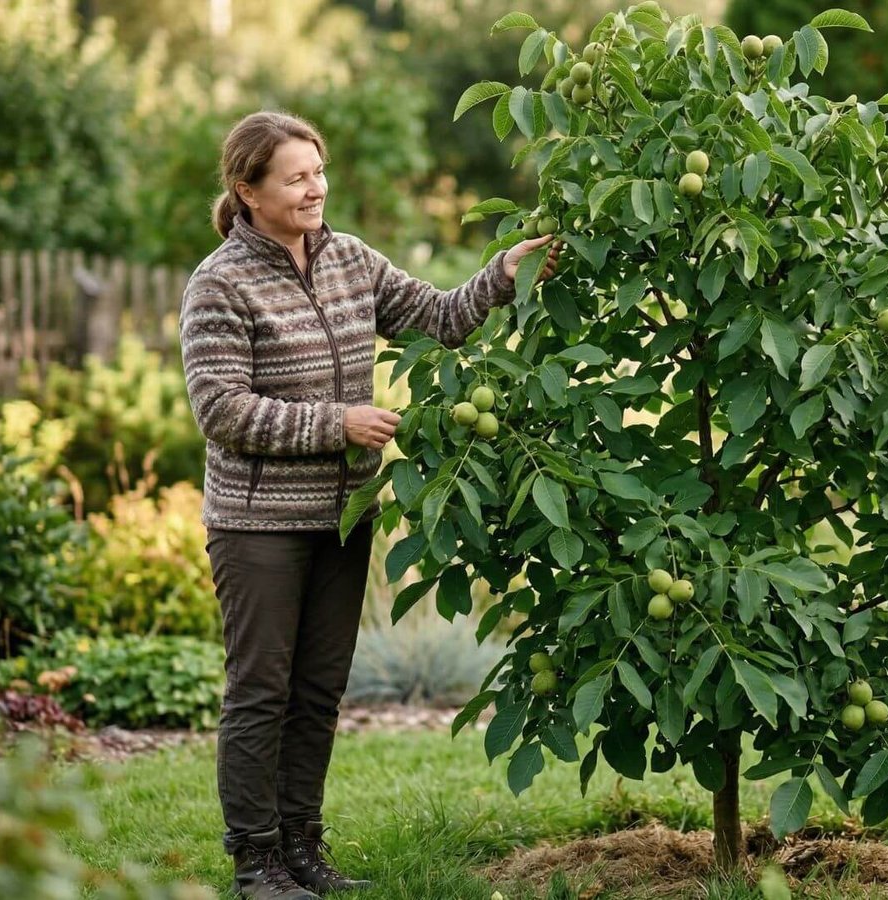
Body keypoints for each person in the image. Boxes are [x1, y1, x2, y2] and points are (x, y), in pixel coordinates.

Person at [178, 110, 560, 900]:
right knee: (261, 690)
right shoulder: (219, 283)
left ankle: (302, 848)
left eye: (318, 171)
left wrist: (502, 273)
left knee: (318, 690)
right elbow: (220, 409)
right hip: (257, 526)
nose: (315, 188)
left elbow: (441, 317)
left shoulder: (350, 260)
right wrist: (338, 423)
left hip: (341, 517)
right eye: (295, 177)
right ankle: (256, 862)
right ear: (247, 191)